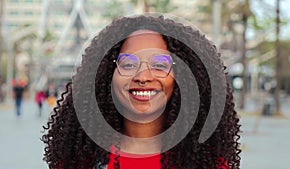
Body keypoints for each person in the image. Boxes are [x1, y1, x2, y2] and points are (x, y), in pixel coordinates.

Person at [42, 15, 241, 169]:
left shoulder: (206, 163)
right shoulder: (80, 160)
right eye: (128, 64)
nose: (143, 77)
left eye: (159, 65)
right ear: (106, 76)